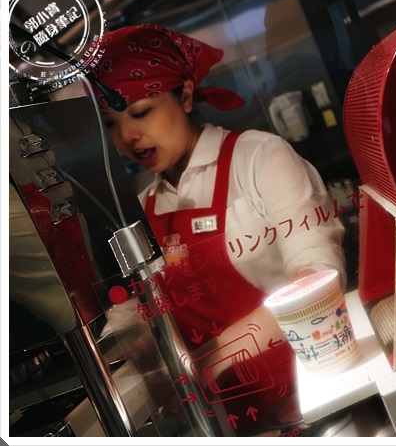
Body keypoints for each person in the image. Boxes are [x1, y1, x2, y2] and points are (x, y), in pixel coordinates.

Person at [93, 24, 346, 436]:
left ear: (186, 96)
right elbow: (130, 315)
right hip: (228, 425)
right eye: (110, 124)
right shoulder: (143, 209)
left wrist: (205, 363)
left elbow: (317, 276)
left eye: (140, 112)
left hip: (320, 402)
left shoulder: (259, 159)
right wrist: (120, 351)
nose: (127, 136)